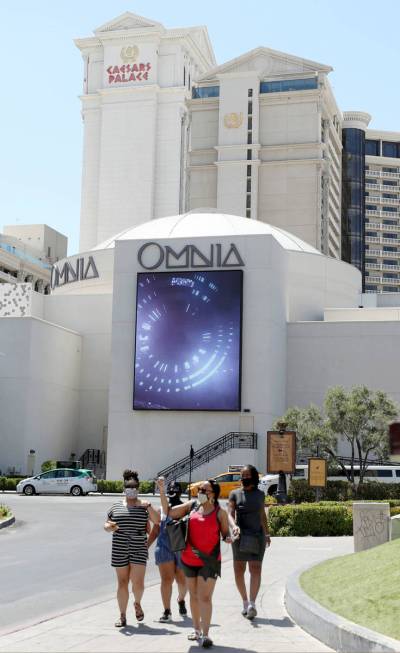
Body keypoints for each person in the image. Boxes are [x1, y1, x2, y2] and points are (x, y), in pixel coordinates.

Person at [158, 476, 231, 649]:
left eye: (204, 490)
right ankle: (196, 630)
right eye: (200, 490)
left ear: (213, 494)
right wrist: (161, 490)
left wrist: (229, 537)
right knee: (194, 596)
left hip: (210, 561)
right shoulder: (192, 506)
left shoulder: (219, 513)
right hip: (188, 560)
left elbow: (225, 534)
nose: (200, 493)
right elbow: (167, 511)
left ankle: (206, 635)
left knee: (205, 597)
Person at [104, 470, 160, 627]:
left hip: (138, 546)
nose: (132, 489)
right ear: (124, 488)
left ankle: (137, 602)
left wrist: (148, 506)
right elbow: (107, 523)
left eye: (135, 486)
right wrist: (109, 527)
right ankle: (122, 616)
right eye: (129, 486)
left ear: (138, 488)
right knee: (122, 582)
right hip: (120, 545)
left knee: (138, 583)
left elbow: (157, 521)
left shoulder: (144, 505)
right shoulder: (116, 505)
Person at [228, 464, 271, 620]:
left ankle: (252, 603)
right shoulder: (234, 494)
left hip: (257, 536)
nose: (244, 477)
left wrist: (267, 533)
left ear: (253, 476)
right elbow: (230, 514)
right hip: (239, 536)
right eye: (242, 475)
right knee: (239, 569)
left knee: (256, 568)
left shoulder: (260, 495)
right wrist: (234, 527)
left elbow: (262, 515)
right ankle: (245, 602)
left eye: (247, 475)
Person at [147, 480, 188, 622]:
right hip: (164, 546)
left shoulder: (185, 508)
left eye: (175, 491)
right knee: (166, 580)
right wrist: (146, 546)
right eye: (170, 491)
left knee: (182, 581)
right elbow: (156, 530)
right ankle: (167, 611)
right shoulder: (162, 510)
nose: (173, 494)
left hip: (181, 548)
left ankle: (181, 599)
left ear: (180, 492)